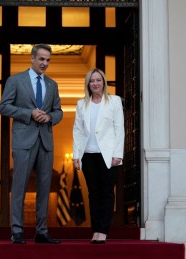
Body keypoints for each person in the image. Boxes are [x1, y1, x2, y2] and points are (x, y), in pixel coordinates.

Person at [0, 44, 63, 244]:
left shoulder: (52, 85)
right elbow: (4, 107)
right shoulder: (15, 80)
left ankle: (41, 232)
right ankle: (17, 231)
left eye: (48, 60)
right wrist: (29, 113)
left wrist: (49, 116)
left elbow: (59, 111)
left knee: (44, 188)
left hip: (45, 142)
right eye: (42, 59)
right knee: (19, 187)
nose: (45, 63)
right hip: (23, 142)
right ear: (32, 58)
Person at [72, 68, 124, 244]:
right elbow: (78, 131)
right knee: (93, 194)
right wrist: (76, 156)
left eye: (98, 80)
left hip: (108, 155)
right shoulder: (81, 104)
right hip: (88, 155)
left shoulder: (114, 101)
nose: (95, 83)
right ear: (88, 84)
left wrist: (117, 154)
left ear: (103, 82)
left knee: (107, 193)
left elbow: (119, 129)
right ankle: (95, 230)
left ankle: (103, 230)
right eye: (92, 81)